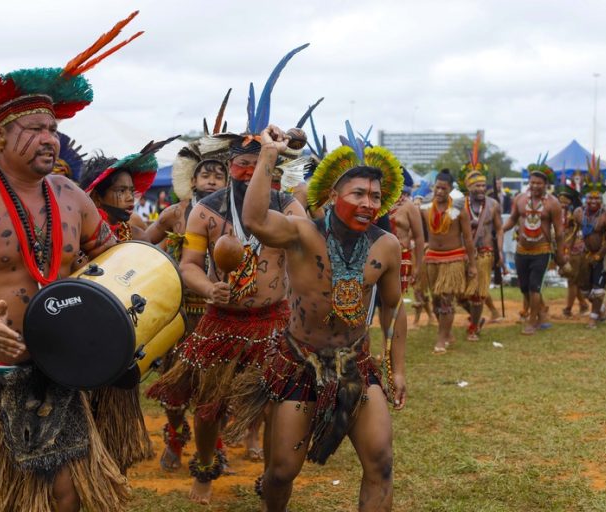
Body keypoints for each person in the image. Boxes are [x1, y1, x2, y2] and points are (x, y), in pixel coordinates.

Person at [0, 12, 143, 511]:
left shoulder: (72, 197)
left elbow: (116, 262)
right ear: (0, 136)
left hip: (59, 372)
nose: (50, 138)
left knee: (67, 497)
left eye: (53, 128)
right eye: (35, 128)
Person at [147, 44, 309, 504]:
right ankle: (204, 468)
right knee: (208, 404)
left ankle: (274, 470)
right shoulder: (206, 211)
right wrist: (207, 287)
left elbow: (303, 259)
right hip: (222, 318)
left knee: (278, 397)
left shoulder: (288, 207)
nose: (246, 172)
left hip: (274, 318)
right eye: (240, 163)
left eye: (258, 164)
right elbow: (189, 267)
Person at [236, 123, 406, 512]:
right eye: (358, 193)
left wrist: (397, 370)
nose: (368, 203)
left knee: (381, 461)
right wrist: (268, 154)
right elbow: (255, 221)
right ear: (333, 195)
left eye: (375, 196)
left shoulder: (386, 245)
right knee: (281, 471)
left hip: (356, 364)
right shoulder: (301, 233)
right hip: (300, 363)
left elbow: (393, 308)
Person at [77, 137, 177, 474]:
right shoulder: (81, 229)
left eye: (131, 189)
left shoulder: (132, 228)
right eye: (119, 190)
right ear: (96, 195)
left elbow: (148, 258)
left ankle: (109, 467)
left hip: (123, 337)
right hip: (86, 335)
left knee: (112, 421)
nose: (128, 196)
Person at [143, 97, 230, 472]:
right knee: (175, 386)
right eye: (205, 175)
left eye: (218, 175)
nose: (210, 180)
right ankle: (176, 440)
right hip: (179, 313)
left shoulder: (235, 217)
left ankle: (215, 448)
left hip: (220, 313)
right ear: (192, 179)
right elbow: (142, 246)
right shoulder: (175, 213)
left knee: (218, 387)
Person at [502, 158, 566, 335]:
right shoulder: (520, 199)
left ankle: (533, 321)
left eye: (539, 183)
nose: (535, 186)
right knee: (524, 288)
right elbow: (513, 219)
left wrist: (560, 254)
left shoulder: (553, 203)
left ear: (546, 184)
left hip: (542, 250)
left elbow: (559, 231)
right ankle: (542, 311)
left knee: (534, 286)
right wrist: (500, 230)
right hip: (522, 250)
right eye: (532, 183)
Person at [422, 169, 476, 351]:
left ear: (450, 189)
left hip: (453, 258)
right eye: (437, 187)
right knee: (436, 300)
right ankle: (446, 332)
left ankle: (441, 338)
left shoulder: (459, 211)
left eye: (443, 189)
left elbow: (468, 239)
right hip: (432, 258)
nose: (439, 192)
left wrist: (472, 265)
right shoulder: (426, 208)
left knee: (446, 299)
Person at [456, 144, 503, 341]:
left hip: (484, 254)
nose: (481, 189)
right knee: (458, 293)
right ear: (469, 187)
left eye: (483, 185)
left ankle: (474, 327)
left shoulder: (493, 205)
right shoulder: (459, 205)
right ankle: (477, 317)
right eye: (477, 186)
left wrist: (499, 251)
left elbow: (499, 229)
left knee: (477, 294)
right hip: (462, 254)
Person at [574, 162, 606, 328]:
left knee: (598, 289)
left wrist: (599, 255)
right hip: (586, 254)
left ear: (601, 199)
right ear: (585, 198)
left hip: (604, 254)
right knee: (584, 290)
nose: (593, 200)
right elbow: (572, 232)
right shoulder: (578, 213)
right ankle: (602, 309)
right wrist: (568, 248)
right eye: (590, 197)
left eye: (597, 197)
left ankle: (593, 317)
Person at [386, 168, 424, 339]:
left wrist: (418, 266)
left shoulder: (409, 207)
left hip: (403, 258)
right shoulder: (380, 204)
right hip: (381, 258)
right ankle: (388, 342)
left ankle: (395, 342)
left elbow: (419, 237)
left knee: (396, 302)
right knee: (384, 303)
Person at [555, 178, 589, 318]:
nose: (562, 202)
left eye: (565, 200)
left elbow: (574, 232)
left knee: (572, 280)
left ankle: (568, 309)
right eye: (560, 200)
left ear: (571, 201)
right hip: (564, 248)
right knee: (572, 279)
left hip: (574, 249)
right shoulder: (559, 213)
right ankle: (583, 305)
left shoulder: (575, 214)